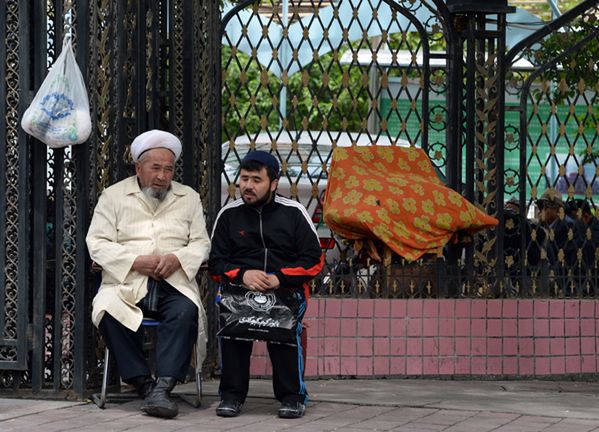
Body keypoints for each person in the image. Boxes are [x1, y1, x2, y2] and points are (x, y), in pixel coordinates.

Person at [86, 130, 211, 419]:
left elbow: (201, 243)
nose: (162, 176)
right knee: (107, 309)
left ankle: (163, 387)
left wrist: (177, 258)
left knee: (185, 311)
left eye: (168, 169)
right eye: (155, 168)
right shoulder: (114, 196)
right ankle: (144, 384)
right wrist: (135, 261)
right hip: (126, 281)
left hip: (173, 282)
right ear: (138, 168)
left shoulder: (188, 197)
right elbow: (97, 243)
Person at [209, 150, 323, 419]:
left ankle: (292, 396)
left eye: (256, 180)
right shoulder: (228, 215)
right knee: (234, 330)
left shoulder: (294, 213)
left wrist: (279, 278)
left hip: (284, 289)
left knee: (284, 330)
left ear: (273, 184)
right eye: (244, 178)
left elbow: (314, 261)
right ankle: (231, 395)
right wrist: (242, 275)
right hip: (239, 289)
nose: (248, 186)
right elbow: (216, 264)